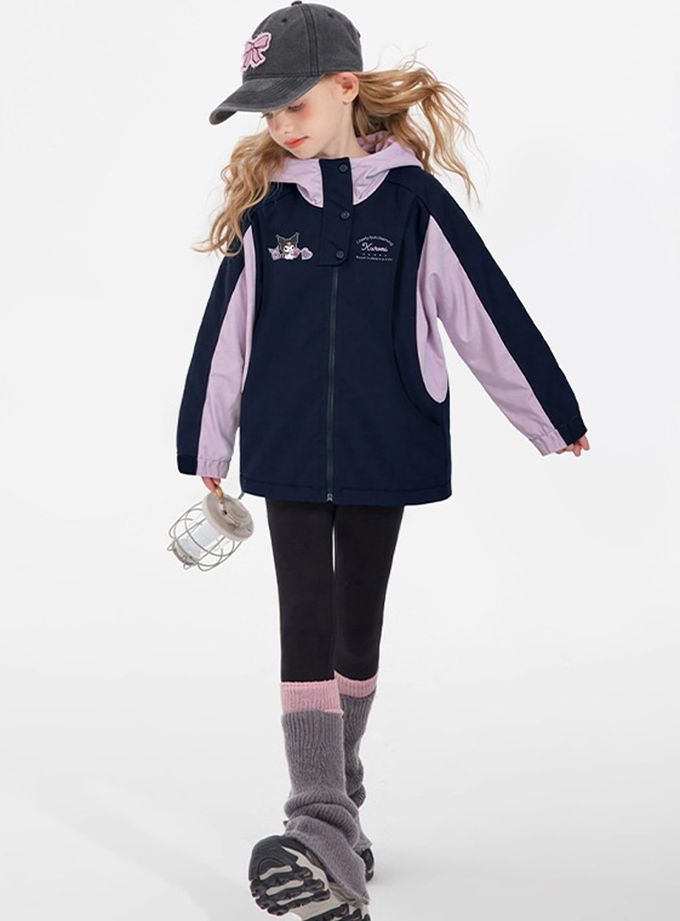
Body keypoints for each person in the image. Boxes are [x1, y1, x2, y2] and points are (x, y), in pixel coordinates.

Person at [175, 2, 590, 918]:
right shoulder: (268, 211)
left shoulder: (413, 204)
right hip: (285, 446)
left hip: (385, 438)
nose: (281, 124)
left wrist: (550, 417)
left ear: (345, 87)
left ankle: (340, 805)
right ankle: (319, 824)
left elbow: (483, 311)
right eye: (267, 110)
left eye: (294, 102)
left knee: (356, 632)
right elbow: (225, 335)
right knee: (305, 621)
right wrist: (207, 445)